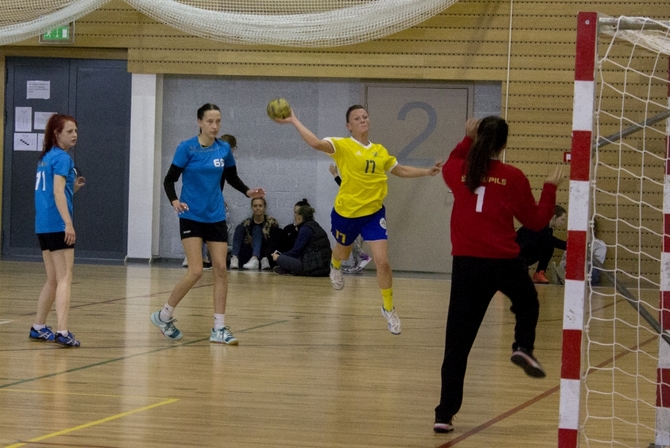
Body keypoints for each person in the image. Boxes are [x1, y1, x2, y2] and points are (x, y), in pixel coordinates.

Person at [435, 116, 564, 433]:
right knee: (528, 303)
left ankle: (444, 415)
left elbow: (452, 160)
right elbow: (536, 221)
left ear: (477, 138)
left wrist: (466, 139)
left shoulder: (459, 170)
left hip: (467, 264)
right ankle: (522, 347)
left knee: (457, 345)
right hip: (504, 261)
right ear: (504, 144)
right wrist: (550, 189)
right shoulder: (513, 176)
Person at [274, 104, 442, 334]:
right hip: (347, 214)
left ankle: (388, 308)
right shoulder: (342, 146)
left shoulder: (380, 150)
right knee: (343, 253)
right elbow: (315, 143)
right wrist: (294, 120)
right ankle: (335, 265)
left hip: (373, 214)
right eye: (357, 118)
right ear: (348, 125)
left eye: (365, 116)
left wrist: (426, 171)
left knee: (382, 261)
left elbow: (400, 170)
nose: (362, 119)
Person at [151, 104, 265, 345]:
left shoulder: (224, 149)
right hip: (191, 215)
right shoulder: (187, 148)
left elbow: (231, 177)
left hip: (215, 216)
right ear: (200, 122)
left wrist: (247, 191)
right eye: (210, 121)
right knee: (195, 271)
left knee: (221, 269)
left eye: (218, 121)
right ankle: (164, 315)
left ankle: (219, 328)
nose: (215, 126)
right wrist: (174, 201)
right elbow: (169, 179)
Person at [31, 113, 86, 347]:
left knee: (53, 279)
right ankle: (62, 331)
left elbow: (57, 191)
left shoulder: (46, 158)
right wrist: (68, 224)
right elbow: (56, 192)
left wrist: (73, 188)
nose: (74, 135)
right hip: (57, 225)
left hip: (43, 225)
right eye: (69, 131)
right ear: (57, 133)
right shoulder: (63, 158)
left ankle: (38, 327)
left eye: (76, 131)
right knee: (64, 278)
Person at [181, 134, 238, 271]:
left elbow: (229, 180)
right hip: (198, 203)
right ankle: (195, 256)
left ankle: (203, 256)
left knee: (209, 229)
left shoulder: (222, 162)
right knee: (200, 227)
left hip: (211, 202)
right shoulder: (210, 158)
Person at [328, 163, 371, 274]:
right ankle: (359, 260)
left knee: (348, 238)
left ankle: (362, 257)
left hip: (354, 215)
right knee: (348, 238)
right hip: (353, 213)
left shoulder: (361, 183)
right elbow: (345, 187)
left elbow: (345, 187)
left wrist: (335, 175)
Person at [272, 203, 332, 276]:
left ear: (299, 217)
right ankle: (288, 270)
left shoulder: (305, 229)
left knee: (278, 258)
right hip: (323, 268)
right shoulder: (315, 226)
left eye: (296, 214)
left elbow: (295, 251)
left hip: (311, 268)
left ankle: (289, 269)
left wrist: (280, 256)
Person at [516, 205, 567, 284]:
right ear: (554, 217)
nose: (563, 223)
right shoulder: (540, 225)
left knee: (549, 245)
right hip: (515, 257)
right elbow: (553, 241)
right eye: (562, 219)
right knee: (550, 244)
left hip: (523, 255)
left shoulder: (548, 229)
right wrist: (570, 246)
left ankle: (539, 273)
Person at [229, 197, 281, 270]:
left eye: (260, 206)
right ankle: (234, 257)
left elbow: (273, 242)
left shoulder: (271, 222)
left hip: (265, 252)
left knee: (257, 229)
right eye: (255, 206)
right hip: (249, 253)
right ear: (252, 207)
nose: (257, 208)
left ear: (264, 207)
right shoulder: (246, 223)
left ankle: (257, 259)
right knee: (239, 227)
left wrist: (256, 241)